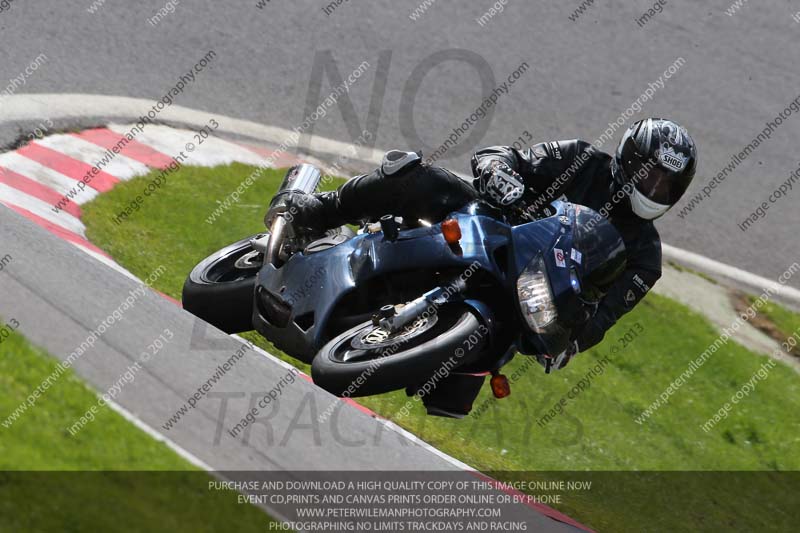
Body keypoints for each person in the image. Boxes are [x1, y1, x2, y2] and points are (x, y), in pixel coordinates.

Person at [285, 118, 697, 369]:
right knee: (413, 176)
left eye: (667, 184)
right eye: (650, 175)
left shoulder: (646, 258)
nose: (655, 188)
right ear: (628, 159)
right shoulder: (581, 159)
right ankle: (317, 211)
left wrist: (572, 341)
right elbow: (503, 155)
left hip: (532, 298)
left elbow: (604, 317)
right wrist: (501, 172)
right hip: (486, 228)